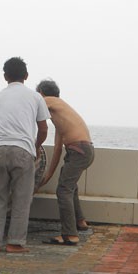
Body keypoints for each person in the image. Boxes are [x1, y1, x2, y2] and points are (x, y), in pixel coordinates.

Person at [0, 57, 49, 253]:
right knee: (22, 199)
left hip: (0, 149)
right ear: (26, 76)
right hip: (23, 151)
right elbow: (43, 128)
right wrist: (36, 146)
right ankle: (15, 243)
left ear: (5, 76)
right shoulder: (35, 97)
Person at [36, 79, 95, 246]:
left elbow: (30, 105)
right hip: (84, 150)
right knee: (70, 185)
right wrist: (47, 177)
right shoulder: (60, 117)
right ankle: (80, 221)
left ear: (41, 93)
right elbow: (57, 151)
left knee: (63, 190)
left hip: (79, 150)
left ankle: (70, 235)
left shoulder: (51, 100)